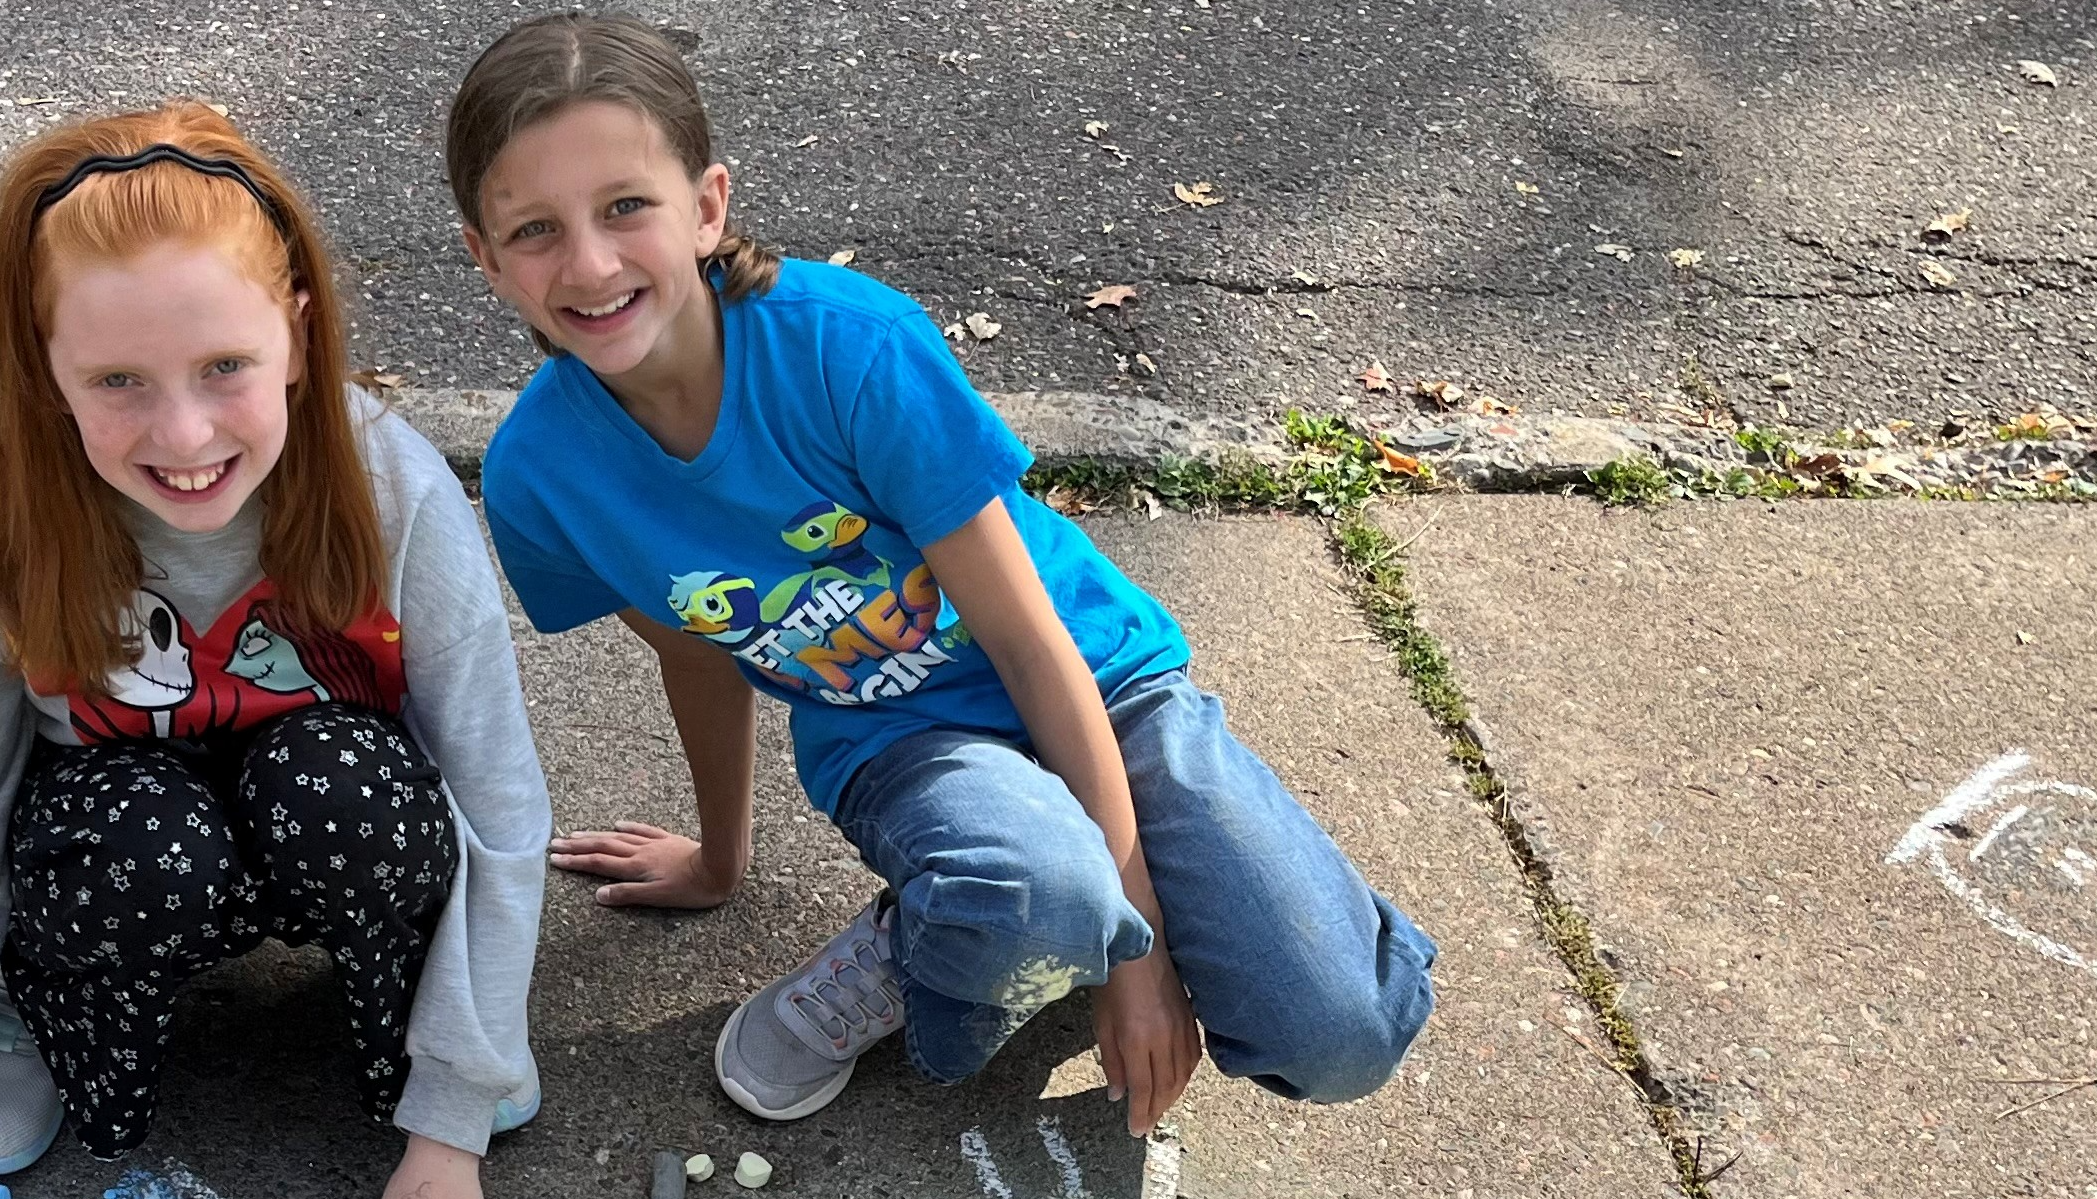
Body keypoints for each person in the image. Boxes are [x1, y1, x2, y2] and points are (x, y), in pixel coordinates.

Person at [442, 14, 1433, 1135]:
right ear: (485, 257)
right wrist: (719, 862)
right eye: (535, 229)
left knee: (1342, 1030)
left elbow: (1029, 644)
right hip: (901, 741)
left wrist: (1140, 958)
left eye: (627, 205)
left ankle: (1052, 909)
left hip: (1104, 684)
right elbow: (701, 658)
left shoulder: (850, 350)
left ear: (707, 206)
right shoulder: (540, 478)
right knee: (1035, 892)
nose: (589, 263)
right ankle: (941, 933)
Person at [0, 102, 548, 1199]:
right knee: (140, 839)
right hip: (120, 837)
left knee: (348, 789)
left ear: (298, 333)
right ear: (46, 368)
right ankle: (36, 1018)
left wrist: (453, 1118)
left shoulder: (389, 485)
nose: (184, 437)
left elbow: (497, 808)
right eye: (118, 382)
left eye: (224, 367)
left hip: (327, 804)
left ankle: (421, 1032)